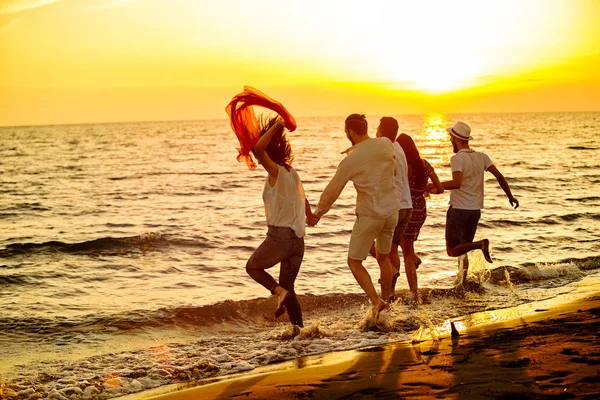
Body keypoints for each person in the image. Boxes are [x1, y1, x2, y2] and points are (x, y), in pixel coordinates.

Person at [310, 114, 400, 319]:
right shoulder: (386, 143)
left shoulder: (351, 160)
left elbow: (333, 191)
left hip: (371, 214)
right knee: (384, 257)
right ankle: (388, 302)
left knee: (354, 261)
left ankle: (377, 302)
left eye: (346, 131)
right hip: (392, 210)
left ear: (350, 132)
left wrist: (318, 214)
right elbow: (392, 171)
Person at [244, 116, 316, 328]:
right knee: (289, 288)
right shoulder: (290, 172)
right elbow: (303, 198)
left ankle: (278, 292)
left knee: (252, 267)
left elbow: (258, 149)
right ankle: (300, 332)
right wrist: (310, 216)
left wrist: (277, 125)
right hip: (297, 241)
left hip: (280, 238)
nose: (257, 159)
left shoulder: (275, 170)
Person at [435, 121, 519, 286]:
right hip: (475, 211)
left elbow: (456, 183)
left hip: (459, 210)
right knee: (464, 248)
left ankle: (480, 244)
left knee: (452, 250)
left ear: (455, 138)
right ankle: (462, 282)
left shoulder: (457, 158)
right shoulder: (482, 157)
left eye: (450, 137)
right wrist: (510, 196)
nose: (450, 139)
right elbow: (500, 177)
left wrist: (436, 186)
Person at [397, 133, 444, 303]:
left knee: (406, 253)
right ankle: (415, 260)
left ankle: (414, 294)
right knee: (408, 247)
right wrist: (425, 189)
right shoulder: (424, 164)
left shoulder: (403, 166)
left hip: (407, 209)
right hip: (420, 210)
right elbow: (440, 188)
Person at [371, 117, 413, 302]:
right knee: (392, 251)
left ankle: (388, 279)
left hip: (394, 206)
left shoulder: (384, 147)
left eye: (377, 128)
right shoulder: (399, 148)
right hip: (407, 205)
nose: (375, 130)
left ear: (382, 131)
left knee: (371, 247)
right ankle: (390, 293)